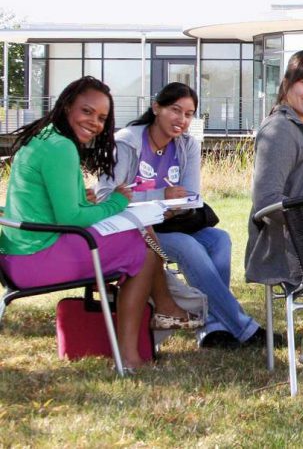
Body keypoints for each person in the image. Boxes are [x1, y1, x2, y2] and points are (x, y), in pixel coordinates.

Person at [0, 76, 199, 370]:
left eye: (102, 118)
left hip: (19, 252)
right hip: (35, 259)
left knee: (139, 230)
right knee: (142, 250)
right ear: (68, 106)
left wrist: (84, 200)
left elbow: (51, 204)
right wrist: (115, 202)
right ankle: (132, 353)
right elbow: (71, 219)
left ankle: (164, 305)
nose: (95, 122)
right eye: (87, 111)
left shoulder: (45, 137)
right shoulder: (60, 147)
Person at [96, 82, 269, 349]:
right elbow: (105, 195)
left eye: (189, 114)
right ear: (157, 108)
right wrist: (160, 196)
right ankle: (243, 328)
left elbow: (190, 197)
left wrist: (176, 203)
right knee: (189, 247)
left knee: (220, 240)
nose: (182, 120)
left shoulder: (187, 145)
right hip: (136, 229)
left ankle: (213, 329)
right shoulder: (127, 142)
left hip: (172, 222)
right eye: (175, 110)